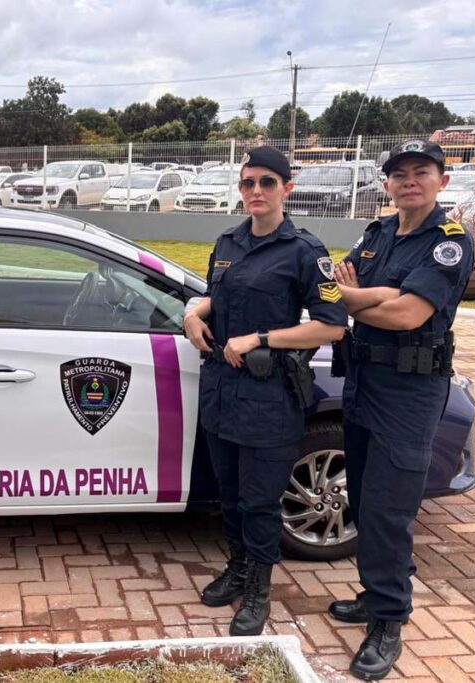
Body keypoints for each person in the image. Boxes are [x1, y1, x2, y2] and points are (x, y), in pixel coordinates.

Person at [182, 146, 347, 637]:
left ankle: (258, 590)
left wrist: (261, 338)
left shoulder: (305, 251)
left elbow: (331, 326)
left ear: (286, 189)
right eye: (247, 182)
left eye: (266, 183)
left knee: (258, 503)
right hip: (222, 392)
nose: (255, 191)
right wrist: (194, 313)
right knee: (229, 496)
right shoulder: (228, 242)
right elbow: (217, 294)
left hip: (270, 396)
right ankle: (237, 569)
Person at [329, 139, 473, 680]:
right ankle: (374, 594)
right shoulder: (378, 233)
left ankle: (389, 619)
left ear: (442, 181)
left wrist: (357, 298)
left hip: (411, 393)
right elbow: (351, 287)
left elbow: (409, 314)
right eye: (400, 174)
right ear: (387, 183)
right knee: (363, 499)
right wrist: (372, 294)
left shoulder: (450, 244)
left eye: (422, 172)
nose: (409, 180)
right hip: (364, 382)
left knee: (390, 508)